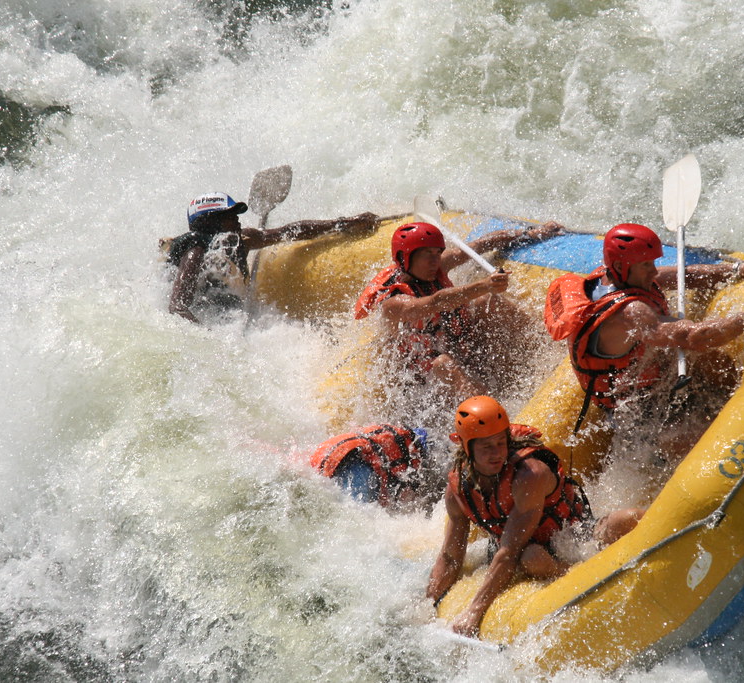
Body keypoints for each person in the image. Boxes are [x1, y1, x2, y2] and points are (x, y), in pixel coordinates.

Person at [544, 222, 744, 471]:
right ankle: (662, 468)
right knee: (707, 436)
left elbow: (682, 276)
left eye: (652, 262)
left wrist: (737, 270)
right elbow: (696, 337)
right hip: (639, 415)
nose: (653, 271)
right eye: (647, 265)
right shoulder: (631, 313)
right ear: (621, 266)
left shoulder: (612, 275)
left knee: (720, 365)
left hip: (656, 388)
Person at [425, 396, 644, 636]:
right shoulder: (458, 490)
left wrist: (474, 611)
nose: (497, 453)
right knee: (531, 557)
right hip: (521, 552)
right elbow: (450, 555)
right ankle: (566, 570)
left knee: (627, 519)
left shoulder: (530, 475)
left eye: (501, 443)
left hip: (570, 534)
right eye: (486, 447)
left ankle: (573, 570)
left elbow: (509, 552)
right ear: (467, 448)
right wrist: (429, 605)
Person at [354, 220, 562, 398]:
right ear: (405, 258)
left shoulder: (436, 267)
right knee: (443, 363)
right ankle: (493, 418)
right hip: (425, 379)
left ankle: (553, 348)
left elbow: (480, 244)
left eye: (438, 253)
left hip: (458, 344)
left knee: (489, 302)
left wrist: (531, 234)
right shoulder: (394, 303)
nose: (435, 260)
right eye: (427, 254)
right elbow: (435, 302)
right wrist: (485, 285)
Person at [167, 192, 377, 324]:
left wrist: (343, 224)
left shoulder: (242, 240)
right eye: (230, 216)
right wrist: (210, 339)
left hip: (231, 318)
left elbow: (290, 231)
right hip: (210, 322)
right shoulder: (195, 250)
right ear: (208, 222)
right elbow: (177, 307)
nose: (237, 220)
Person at [298, 423, 440, 514]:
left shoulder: (393, 433)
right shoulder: (412, 454)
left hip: (327, 453)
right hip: (357, 470)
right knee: (358, 517)